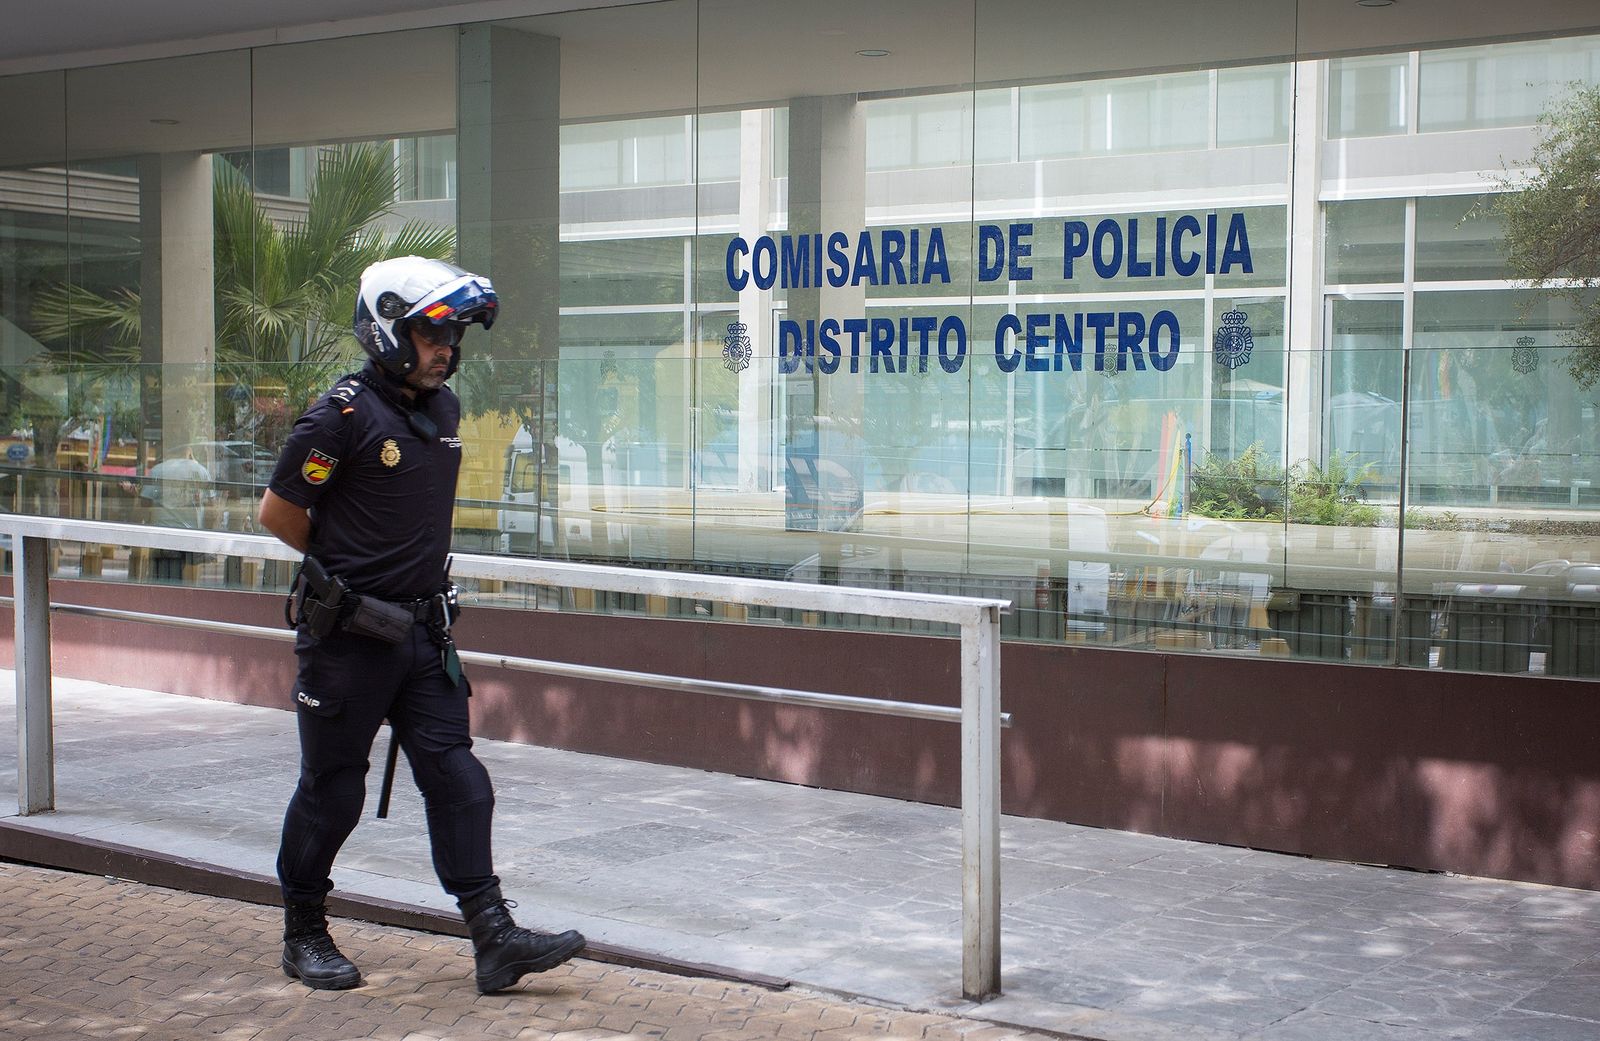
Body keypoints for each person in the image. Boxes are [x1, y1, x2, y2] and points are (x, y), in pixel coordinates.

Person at [257, 256, 585, 994]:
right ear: (386, 329)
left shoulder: (443, 411)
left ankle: (493, 936)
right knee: (333, 789)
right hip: (346, 638)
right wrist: (345, 572)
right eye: (433, 333)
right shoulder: (339, 416)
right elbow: (278, 512)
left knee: (460, 779)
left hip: (422, 636)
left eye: (454, 335)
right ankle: (303, 930)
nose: (447, 350)